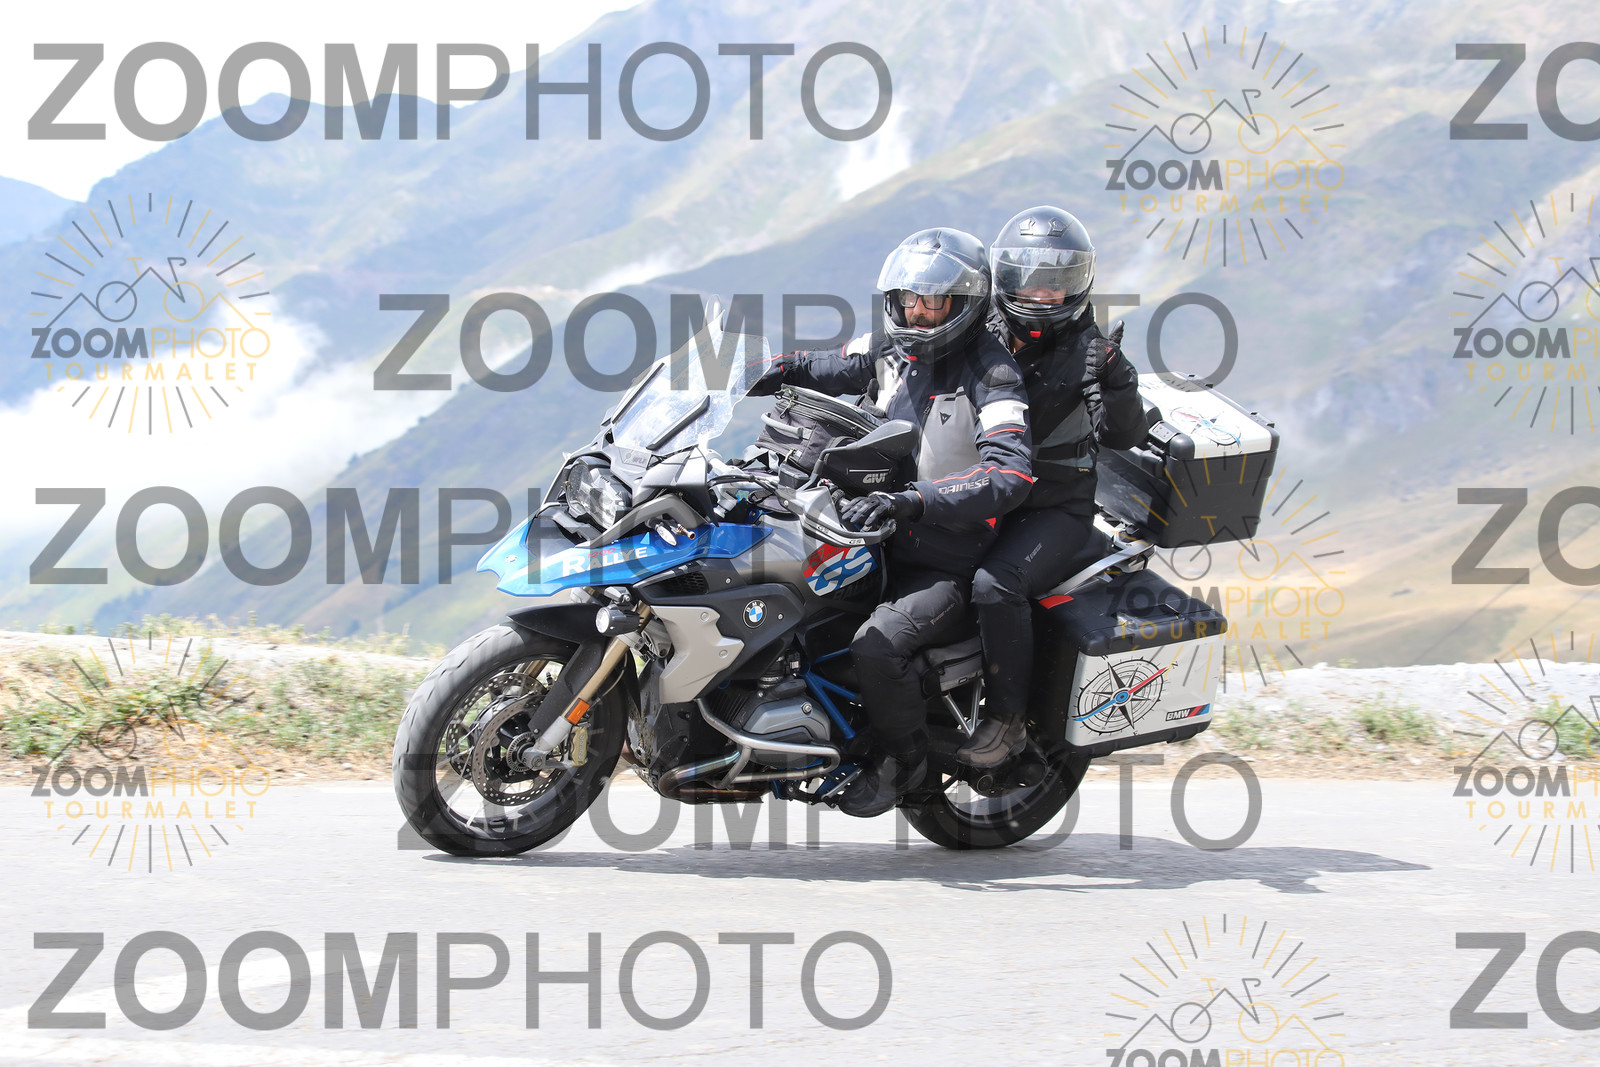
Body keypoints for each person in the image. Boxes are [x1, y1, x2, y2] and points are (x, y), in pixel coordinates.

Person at [753, 227, 1035, 816]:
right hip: (870, 534)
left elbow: (1009, 474)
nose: (918, 313)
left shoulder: (994, 374)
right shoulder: (891, 347)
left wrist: (913, 500)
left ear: (965, 304)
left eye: (932, 302)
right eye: (909, 300)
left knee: (877, 646)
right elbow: (825, 366)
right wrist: (761, 370)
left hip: (945, 557)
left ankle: (903, 763)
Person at [956, 206, 1149, 767]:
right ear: (1006, 276)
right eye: (1030, 279)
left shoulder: (1090, 351)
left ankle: (1007, 722)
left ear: (1077, 284)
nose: (1041, 294)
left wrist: (1117, 379)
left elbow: (1124, 434)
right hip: (988, 492)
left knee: (997, 584)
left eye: (1056, 282)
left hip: (1053, 508)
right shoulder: (982, 328)